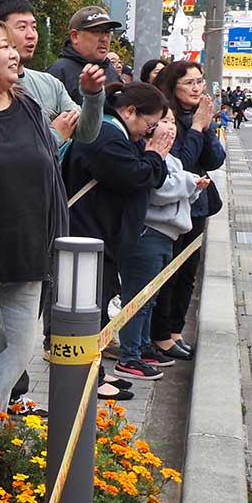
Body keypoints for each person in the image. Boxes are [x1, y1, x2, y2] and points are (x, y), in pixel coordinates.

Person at [0, 19, 102, 426]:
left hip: (29, 254)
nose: (14, 52)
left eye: (13, 45)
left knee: (14, 358)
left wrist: (92, 99)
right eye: (3, 45)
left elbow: (51, 159)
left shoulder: (28, 105)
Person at [61, 82, 172, 386]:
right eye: (149, 126)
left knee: (96, 312)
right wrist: (156, 154)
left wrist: (151, 156)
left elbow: (147, 176)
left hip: (101, 238)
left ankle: (94, 376)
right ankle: (86, 382)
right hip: (89, 238)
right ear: (130, 111)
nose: (147, 135)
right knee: (87, 314)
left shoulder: (118, 133)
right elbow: (137, 176)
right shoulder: (106, 136)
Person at [118, 107, 209, 382]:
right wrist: (190, 182)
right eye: (162, 122)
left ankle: (142, 346)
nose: (169, 126)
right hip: (150, 232)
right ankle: (129, 355)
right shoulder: (149, 154)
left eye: (171, 121)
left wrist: (191, 184)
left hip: (167, 233)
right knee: (139, 298)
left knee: (151, 296)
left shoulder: (172, 159)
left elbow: (179, 191)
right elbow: (159, 192)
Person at [149, 61, 226, 362]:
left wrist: (204, 127)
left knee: (187, 273)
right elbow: (178, 159)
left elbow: (215, 158)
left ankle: (176, 331)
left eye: (200, 82)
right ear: (172, 86)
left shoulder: (198, 116)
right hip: (171, 206)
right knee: (169, 273)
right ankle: (161, 334)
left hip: (197, 203)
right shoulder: (166, 119)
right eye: (189, 83)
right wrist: (195, 127)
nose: (197, 88)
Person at [0, 0, 103, 147]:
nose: (31, 35)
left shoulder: (50, 84)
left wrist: (93, 95)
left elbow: (85, 133)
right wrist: (55, 135)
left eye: (34, 27)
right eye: (21, 27)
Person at [47, 5, 123, 104]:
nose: (104, 38)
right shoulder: (58, 73)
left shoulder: (111, 70)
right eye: (96, 31)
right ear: (75, 36)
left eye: (107, 32)